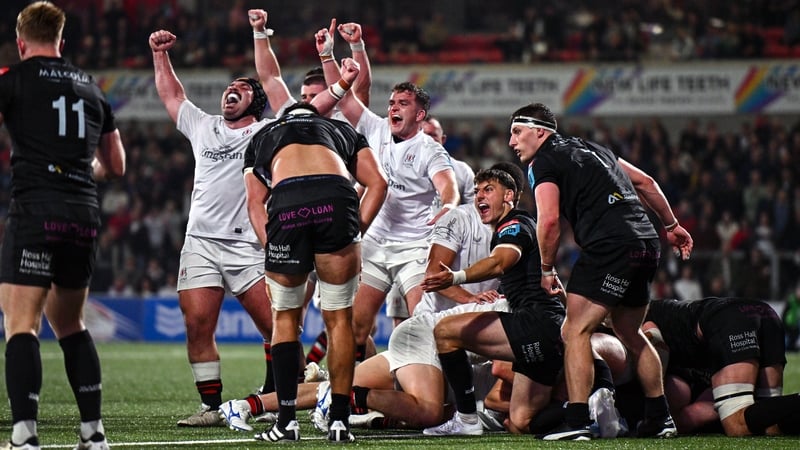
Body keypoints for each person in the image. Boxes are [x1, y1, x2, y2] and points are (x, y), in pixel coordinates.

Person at [149, 15, 348, 426]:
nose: (229, 93)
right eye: (228, 88)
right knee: (198, 324)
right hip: (201, 241)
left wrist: (342, 83)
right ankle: (210, 407)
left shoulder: (269, 130)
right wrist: (159, 54)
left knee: (277, 326)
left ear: (255, 103)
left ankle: (284, 394)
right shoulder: (203, 127)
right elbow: (171, 96)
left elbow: (311, 108)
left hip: (251, 245)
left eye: (239, 89)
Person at [511, 102, 694, 440]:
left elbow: (548, 219)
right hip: (646, 242)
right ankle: (659, 416)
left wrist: (546, 269)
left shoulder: (543, 161)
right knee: (629, 331)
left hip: (610, 245)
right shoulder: (595, 148)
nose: (512, 141)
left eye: (517, 131)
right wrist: (672, 225)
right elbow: (645, 182)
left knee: (574, 331)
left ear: (540, 131)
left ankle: (578, 420)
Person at [0, 2, 126, 449]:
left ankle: (24, 435)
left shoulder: (11, 80)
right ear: (61, 41)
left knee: (21, 325)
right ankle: (94, 434)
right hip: (82, 215)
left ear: (20, 42)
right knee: (70, 324)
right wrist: (74, 168)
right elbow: (115, 165)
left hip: (35, 211)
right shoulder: (92, 87)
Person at [241, 100, 387, 443]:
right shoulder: (340, 129)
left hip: (288, 204)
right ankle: (339, 421)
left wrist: (271, 250)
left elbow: (254, 202)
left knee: (285, 317)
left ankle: (287, 422)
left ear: (285, 117)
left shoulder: (265, 134)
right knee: (339, 319)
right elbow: (378, 183)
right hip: (337, 199)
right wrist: (354, 233)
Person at [330, 32, 460, 358]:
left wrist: (449, 205)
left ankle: (442, 399)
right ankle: (356, 395)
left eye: (403, 104)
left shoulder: (430, 150)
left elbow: (449, 187)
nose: (393, 109)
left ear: (419, 116)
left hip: (415, 248)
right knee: (356, 328)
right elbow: (343, 98)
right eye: (391, 104)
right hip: (375, 243)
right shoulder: (375, 129)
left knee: (423, 321)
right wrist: (326, 55)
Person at [420, 166, 567, 436]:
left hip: (535, 322)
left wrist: (456, 277)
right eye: (476, 191)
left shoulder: (513, 225)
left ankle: (466, 419)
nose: (479, 197)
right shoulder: (524, 224)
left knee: (445, 332)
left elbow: (500, 263)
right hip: (548, 330)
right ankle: (584, 409)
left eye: (488, 190)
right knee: (521, 421)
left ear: (509, 195)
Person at [220, 299, 508, 432]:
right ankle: (349, 402)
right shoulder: (520, 326)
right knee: (430, 412)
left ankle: (245, 405)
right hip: (426, 347)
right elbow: (500, 390)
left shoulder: (521, 321)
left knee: (332, 388)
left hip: (428, 357)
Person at [643, 297, 800, 436]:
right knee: (768, 423)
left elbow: (652, 338)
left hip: (730, 320)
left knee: (737, 424)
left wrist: (655, 406)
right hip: (765, 313)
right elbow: (692, 415)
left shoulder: (638, 318)